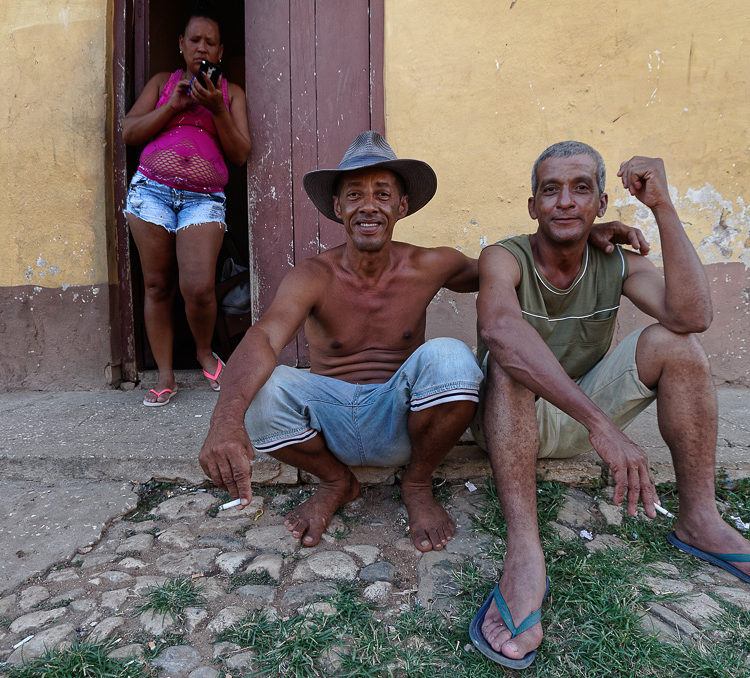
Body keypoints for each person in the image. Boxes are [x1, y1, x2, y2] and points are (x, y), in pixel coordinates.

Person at [199, 131, 644, 553]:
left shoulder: (432, 264)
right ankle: (335, 481)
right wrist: (225, 420)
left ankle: (417, 481)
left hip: (403, 422)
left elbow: (514, 265)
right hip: (328, 424)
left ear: (402, 206)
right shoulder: (312, 276)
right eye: (354, 195)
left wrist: (583, 237)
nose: (368, 207)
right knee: (262, 391)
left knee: (451, 357)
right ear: (337, 207)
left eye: (382, 194)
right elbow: (264, 336)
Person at [470, 141, 750, 669]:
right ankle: (525, 557)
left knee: (678, 344)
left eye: (581, 189)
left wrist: (662, 206)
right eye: (550, 190)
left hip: (579, 410)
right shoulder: (504, 256)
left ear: (601, 203)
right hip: (509, 418)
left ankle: (699, 517)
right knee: (509, 357)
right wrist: (601, 425)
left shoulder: (616, 260)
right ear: (533, 206)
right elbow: (499, 330)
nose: (565, 202)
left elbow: (691, 316)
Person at [122, 2, 251, 406]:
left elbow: (240, 153)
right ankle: (163, 374)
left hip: (202, 199)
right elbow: (129, 131)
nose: (201, 48)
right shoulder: (163, 81)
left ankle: (202, 352)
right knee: (158, 285)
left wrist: (216, 109)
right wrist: (171, 106)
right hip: (152, 192)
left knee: (197, 288)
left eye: (210, 43)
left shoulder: (231, 93)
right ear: (181, 44)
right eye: (194, 40)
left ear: (220, 52)